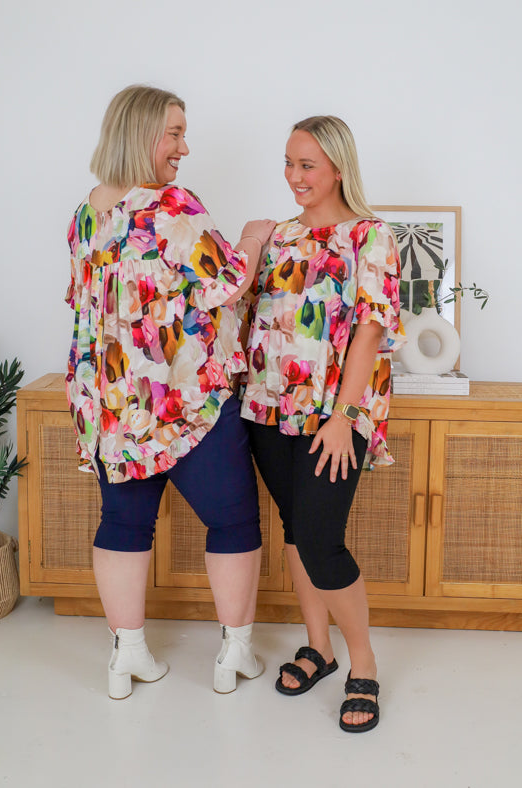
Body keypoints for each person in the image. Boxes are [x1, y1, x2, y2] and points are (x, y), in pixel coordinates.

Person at [65, 84, 275, 699]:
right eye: (175, 133)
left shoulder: (86, 213)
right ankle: (235, 652)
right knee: (233, 519)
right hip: (184, 402)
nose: (185, 146)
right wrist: (254, 237)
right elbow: (229, 283)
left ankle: (126, 656)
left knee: (124, 525)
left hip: (113, 404)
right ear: (141, 135)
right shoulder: (170, 206)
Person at [240, 115, 404, 732]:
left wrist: (342, 418)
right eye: (288, 162)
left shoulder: (371, 236)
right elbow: (245, 308)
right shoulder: (277, 235)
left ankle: (364, 662)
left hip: (335, 414)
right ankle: (320, 647)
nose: (294, 176)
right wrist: (249, 242)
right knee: (294, 527)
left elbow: (370, 330)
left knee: (319, 537)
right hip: (267, 405)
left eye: (307, 164)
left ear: (338, 166)